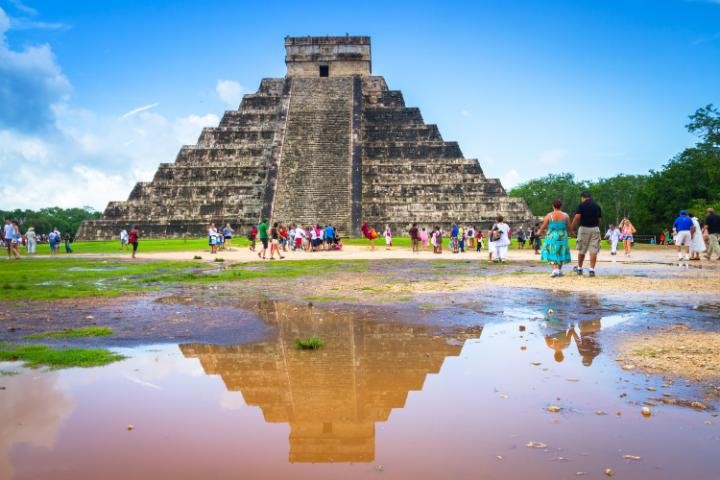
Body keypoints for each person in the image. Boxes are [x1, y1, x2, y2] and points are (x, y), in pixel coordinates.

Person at [539, 199, 574, 277]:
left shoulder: (549, 215)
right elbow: (569, 226)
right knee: (561, 251)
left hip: (552, 236)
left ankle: (555, 270)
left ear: (553, 206)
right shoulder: (566, 215)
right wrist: (572, 233)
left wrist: (539, 232)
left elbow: (543, 226)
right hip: (562, 236)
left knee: (552, 251)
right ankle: (559, 270)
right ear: (561, 206)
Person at [571, 191, 602, 277]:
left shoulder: (582, 205)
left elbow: (577, 217)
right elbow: (599, 220)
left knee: (582, 249)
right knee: (594, 250)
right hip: (595, 228)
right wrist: (597, 227)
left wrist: (571, 227)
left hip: (584, 228)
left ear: (582, 197)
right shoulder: (597, 206)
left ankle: (580, 268)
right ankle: (591, 270)